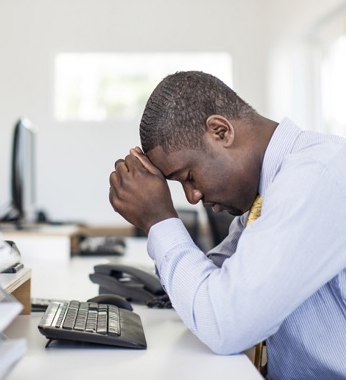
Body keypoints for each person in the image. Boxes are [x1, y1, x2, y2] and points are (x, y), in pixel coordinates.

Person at [109, 71, 346, 380]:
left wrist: (159, 221)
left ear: (220, 131)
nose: (192, 197)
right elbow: (215, 283)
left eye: (189, 176)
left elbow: (224, 322)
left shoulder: (315, 176)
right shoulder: (267, 194)